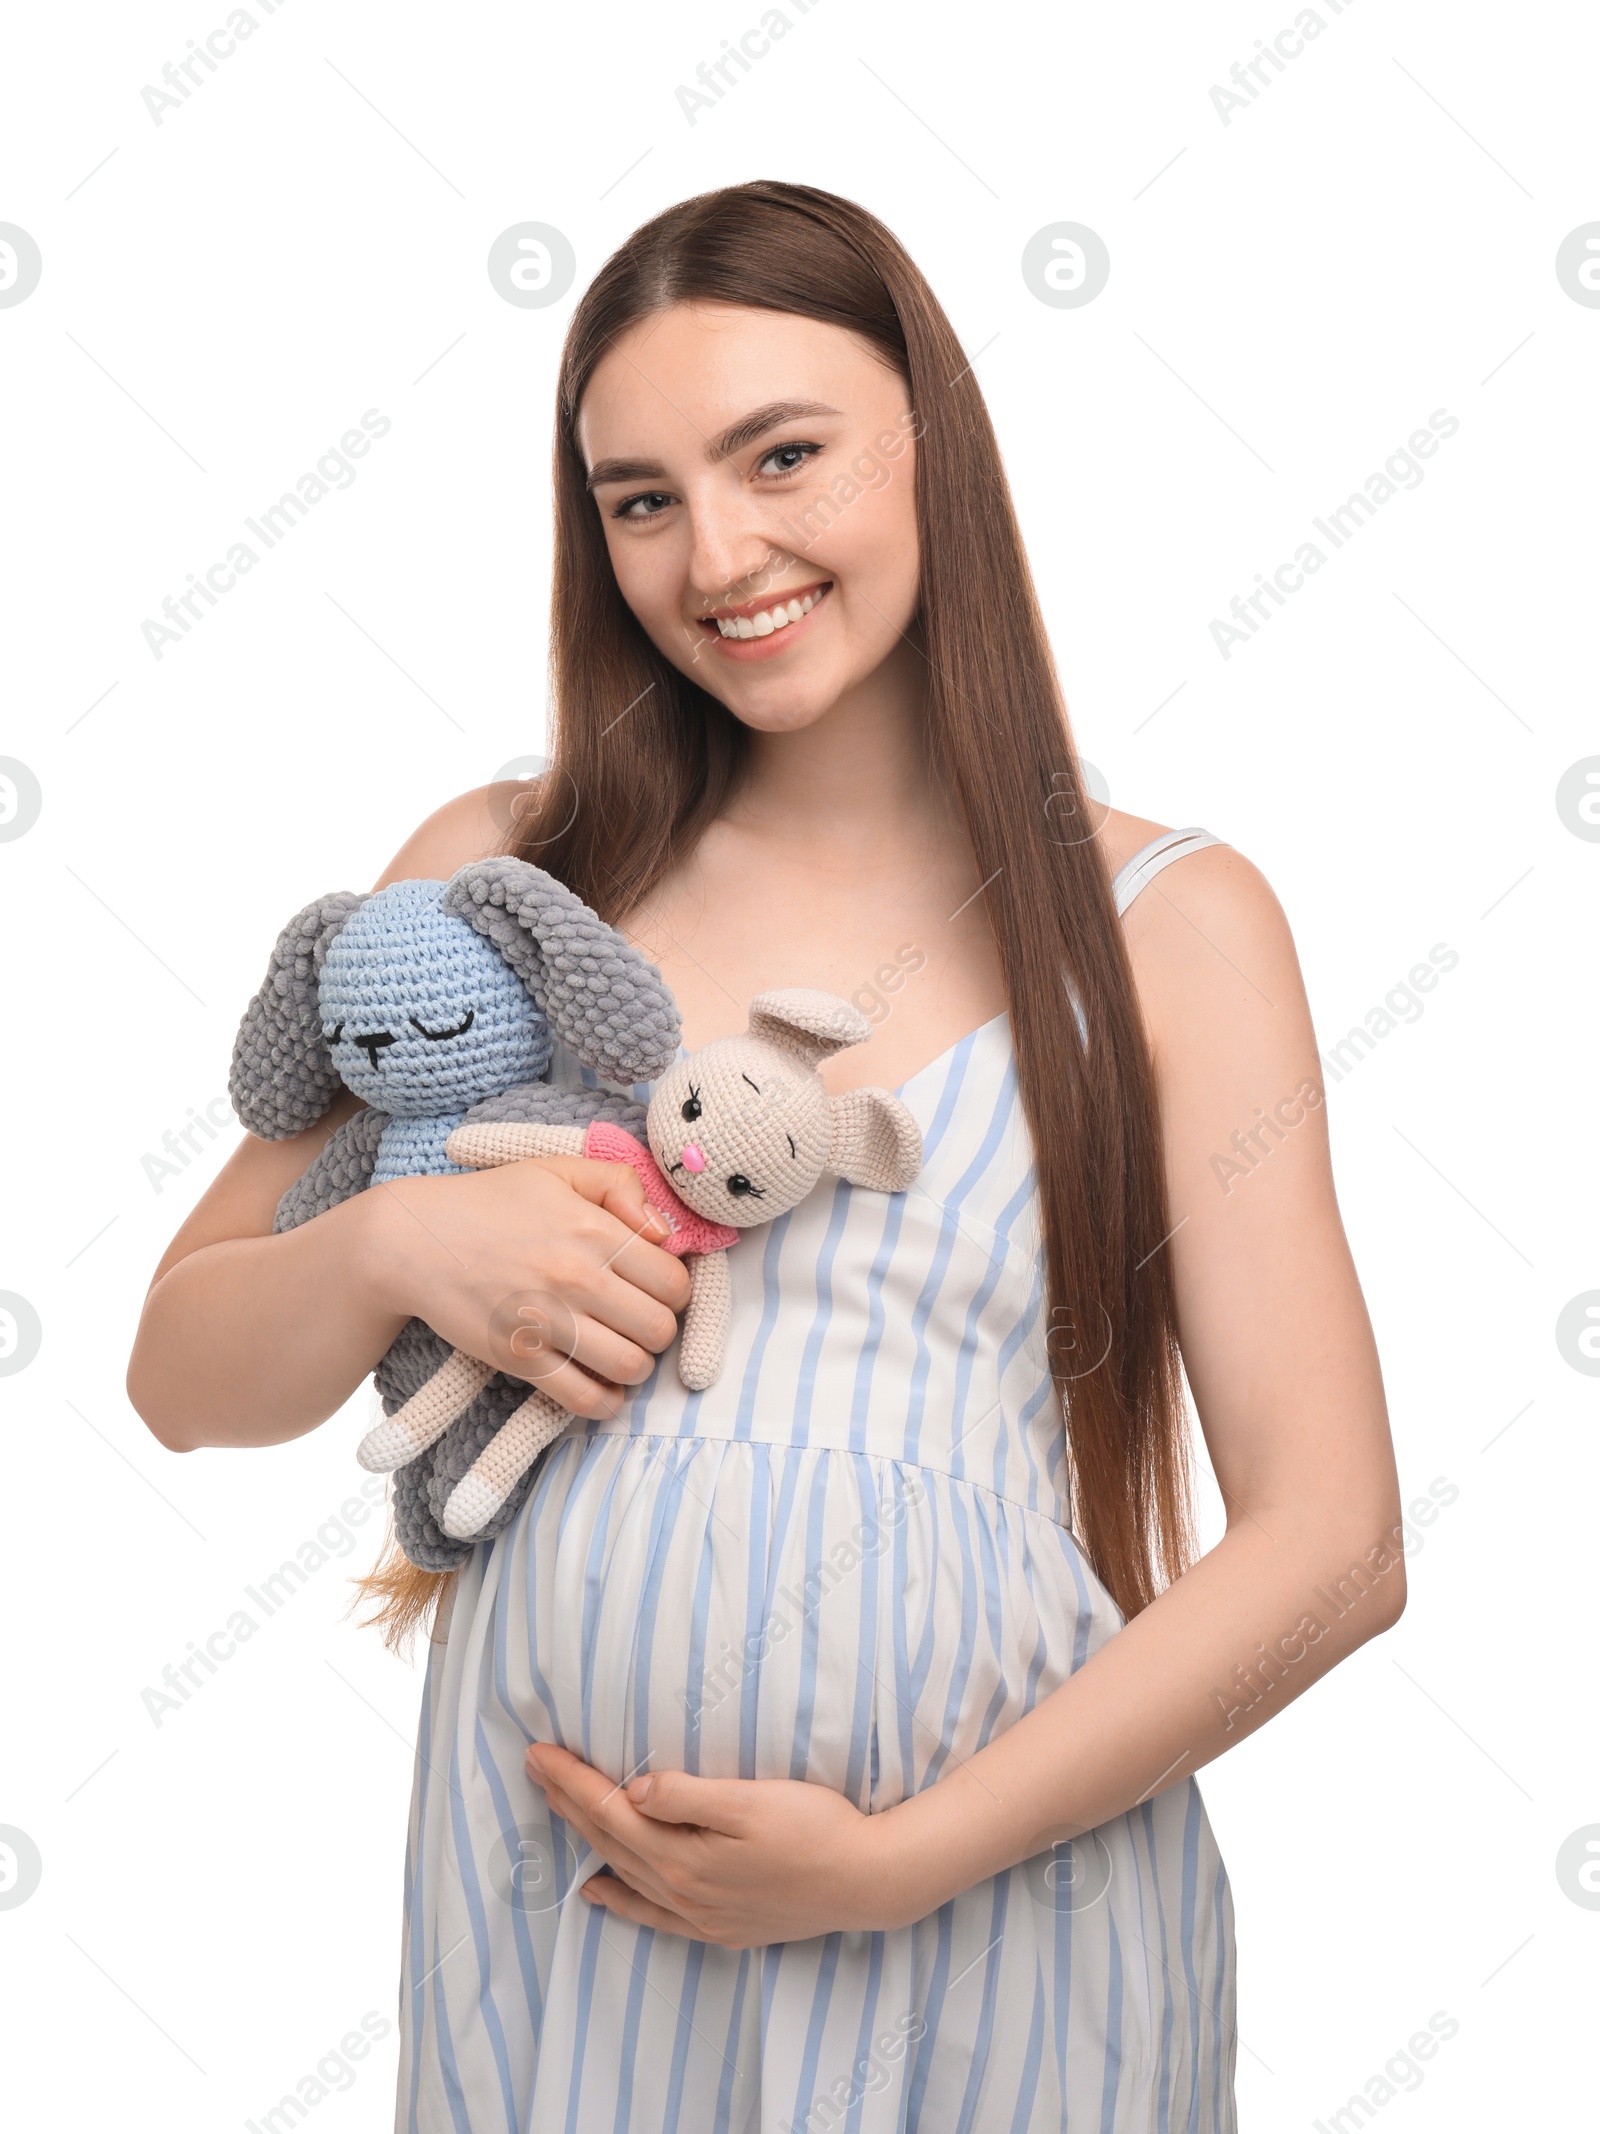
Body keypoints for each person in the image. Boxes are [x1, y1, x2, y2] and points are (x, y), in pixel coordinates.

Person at [128, 181, 1406, 2130]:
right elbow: (178, 1374)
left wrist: (900, 1857)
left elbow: (1330, 1544)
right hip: (564, 1916)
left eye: (780, 455)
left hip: (1001, 1929)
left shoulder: (1165, 917)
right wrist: (401, 1239)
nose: (714, 551)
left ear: (928, 443)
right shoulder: (503, 870)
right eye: (638, 497)